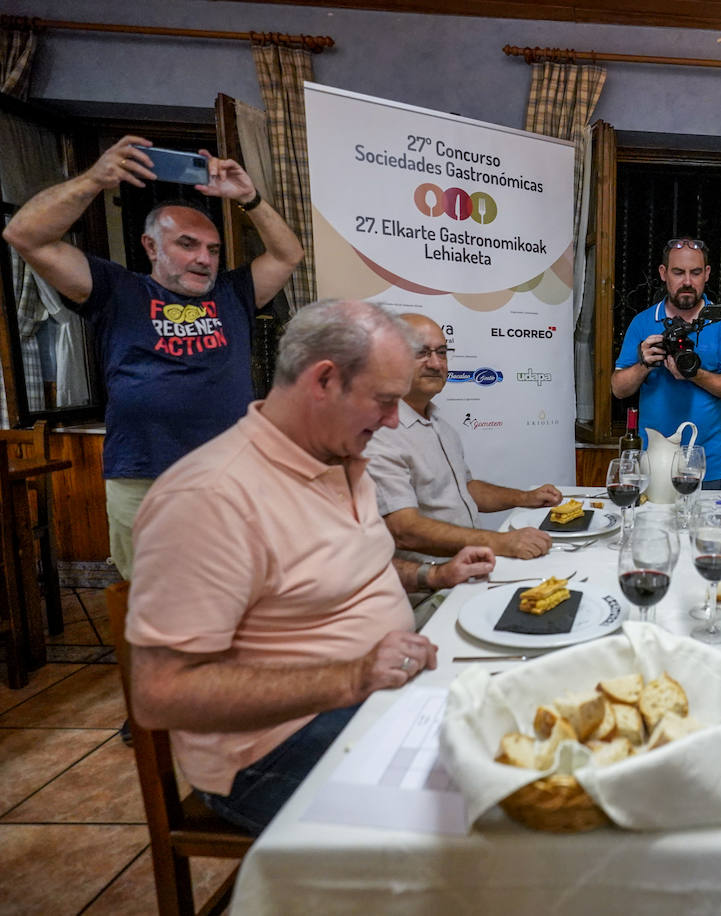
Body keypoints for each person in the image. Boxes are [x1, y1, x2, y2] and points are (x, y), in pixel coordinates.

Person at [123, 300, 495, 834]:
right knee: (470, 824)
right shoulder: (208, 498)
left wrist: (432, 576)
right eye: (385, 401)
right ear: (324, 381)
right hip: (270, 750)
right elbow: (160, 695)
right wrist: (353, 676)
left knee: (515, 752)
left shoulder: (341, 457)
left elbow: (354, 571)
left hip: (373, 698)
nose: (394, 420)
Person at [1, 135, 304, 582]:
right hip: (146, 477)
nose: (204, 259)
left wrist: (249, 198)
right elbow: (24, 234)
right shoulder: (118, 290)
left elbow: (288, 254)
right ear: (150, 246)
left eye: (213, 249)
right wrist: (94, 179)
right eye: (187, 244)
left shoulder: (234, 293)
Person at [364, 312, 563, 625]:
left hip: (469, 572)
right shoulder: (380, 432)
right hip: (428, 595)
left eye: (442, 352)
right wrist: (501, 543)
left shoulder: (438, 421)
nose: (436, 363)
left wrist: (524, 497)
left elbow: (464, 490)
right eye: (421, 353)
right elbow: (404, 530)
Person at [610, 238, 721, 487]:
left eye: (695, 273)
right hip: (652, 462)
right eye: (678, 272)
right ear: (663, 274)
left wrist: (694, 374)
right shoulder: (643, 322)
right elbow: (619, 388)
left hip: (705, 464)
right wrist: (644, 364)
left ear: (706, 274)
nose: (687, 282)